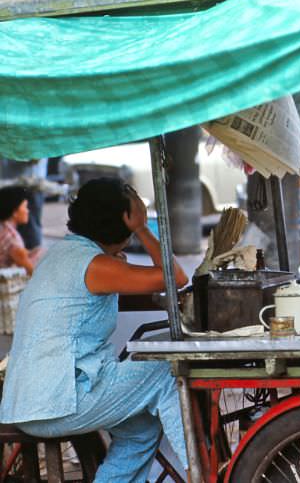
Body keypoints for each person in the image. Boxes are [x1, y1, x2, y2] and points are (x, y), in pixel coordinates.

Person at [0, 177, 190, 482]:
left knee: (140, 432)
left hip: (35, 397)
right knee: (167, 373)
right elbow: (176, 277)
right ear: (122, 221)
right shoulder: (94, 265)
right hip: (57, 400)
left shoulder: (66, 254)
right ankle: (206, 474)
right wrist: (142, 228)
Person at [0, 186, 41, 275]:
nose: (28, 211)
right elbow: (32, 272)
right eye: (25, 207)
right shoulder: (12, 237)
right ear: (14, 212)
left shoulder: (3, 227)